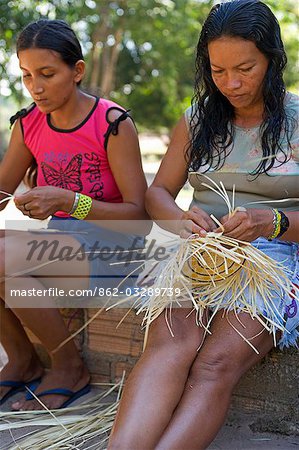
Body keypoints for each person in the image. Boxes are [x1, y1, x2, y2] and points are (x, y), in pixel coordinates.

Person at [108, 1, 299, 449]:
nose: (231, 83)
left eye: (246, 68)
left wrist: (270, 221)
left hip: (278, 258)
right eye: (218, 70)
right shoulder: (198, 119)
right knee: (168, 348)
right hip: (200, 251)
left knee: (214, 365)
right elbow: (157, 194)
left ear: (272, 58)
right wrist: (179, 220)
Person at [0, 19, 148, 411]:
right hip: (60, 245)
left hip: (118, 248)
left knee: (4, 259)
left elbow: (139, 214)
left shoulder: (112, 124)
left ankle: (68, 367)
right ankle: (22, 360)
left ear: (77, 71)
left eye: (47, 74)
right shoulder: (28, 124)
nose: (36, 87)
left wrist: (69, 200)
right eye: (27, 76)